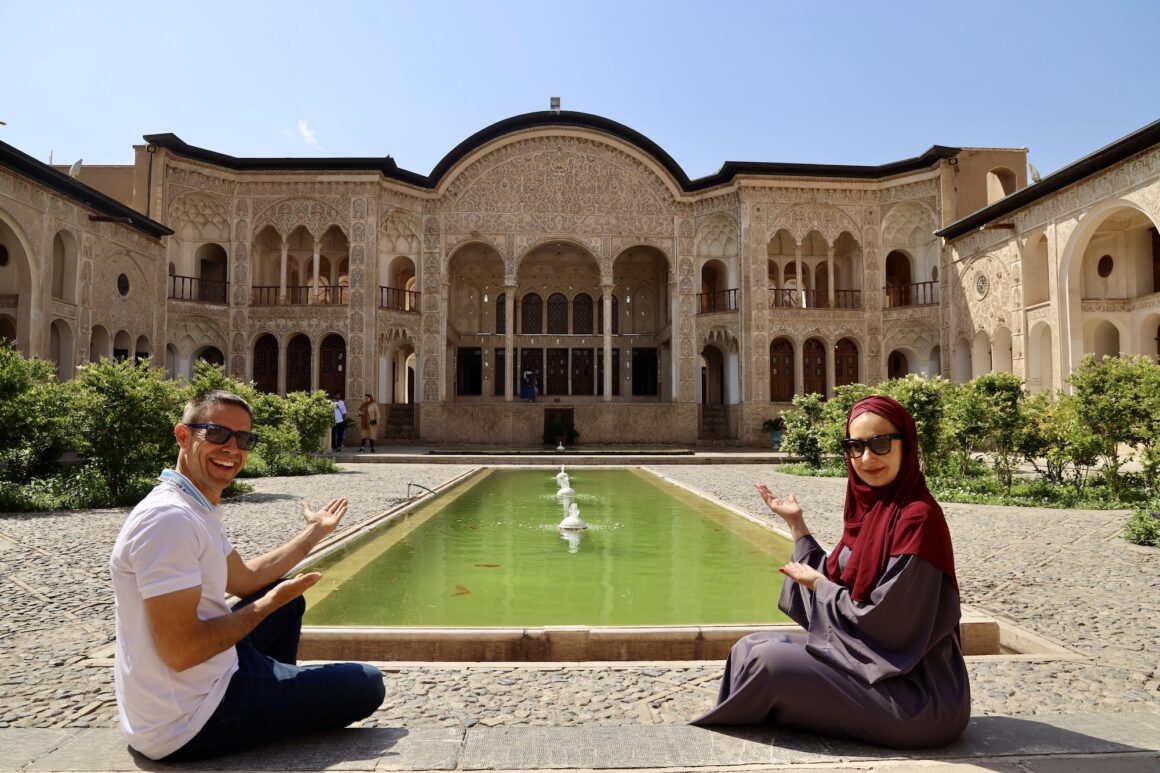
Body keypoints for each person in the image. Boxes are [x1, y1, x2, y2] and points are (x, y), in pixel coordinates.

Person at [109, 390, 385, 761]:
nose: (231, 448)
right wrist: (264, 607)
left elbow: (243, 578)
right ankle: (271, 700)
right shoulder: (168, 520)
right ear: (183, 436)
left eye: (244, 439)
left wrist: (314, 533)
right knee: (367, 684)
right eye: (217, 434)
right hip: (190, 718)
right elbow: (182, 652)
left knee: (286, 600)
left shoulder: (193, 505)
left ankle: (275, 690)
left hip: (209, 674)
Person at [693, 395, 969, 748]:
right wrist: (797, 525)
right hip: (875, 669)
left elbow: (889, 623)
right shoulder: (872, 510)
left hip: (917, 695)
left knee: (767, 663)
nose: (867, 459)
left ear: (906, 444)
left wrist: (821, 587)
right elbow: (840, 576)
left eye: (880, 444)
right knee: (748, 647)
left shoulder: (918, 518)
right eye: (856, 446)